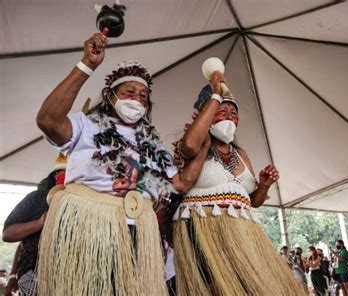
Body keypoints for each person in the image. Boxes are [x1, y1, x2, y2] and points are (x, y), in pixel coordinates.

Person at [35, 33, 209, 295]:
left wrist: (204, 146)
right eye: (129, 92)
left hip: (138, 230)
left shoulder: (154, 143)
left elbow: (181, 183)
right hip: (89, 225)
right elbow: (48, 120)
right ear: (111, 96)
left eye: (143, 96)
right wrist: (87, 65)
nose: (137, 100)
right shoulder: (86, 125)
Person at [170, 74, 306, 295]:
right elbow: (189, 147)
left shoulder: (240, 153)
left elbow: (253, 202)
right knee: (217, 288)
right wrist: (213, 99)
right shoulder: (194, 146)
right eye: (221, 112)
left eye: (233, 113)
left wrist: (263, 185)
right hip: (202, 228)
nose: (229, 117)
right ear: (206, 115)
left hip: (241, 232)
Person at [2, 154, 67, 295]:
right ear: (56, 176)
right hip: (32, 276)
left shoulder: (88, 205)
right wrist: (40, 223)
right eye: (62, 173)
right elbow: (8, 234)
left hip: (69, 278)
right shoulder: (36, 198)